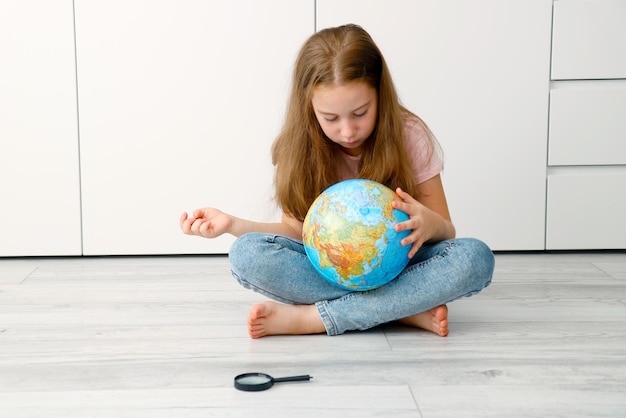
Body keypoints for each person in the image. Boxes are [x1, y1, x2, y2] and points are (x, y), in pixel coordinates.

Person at [180, 24, 494, 339]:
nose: (347, 131)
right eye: (330, 118)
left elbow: (448, 233)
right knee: (246, 254)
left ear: (379, 95)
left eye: (360, 113)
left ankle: (316, 319)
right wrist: (231, 224)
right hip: (331, 269)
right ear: (309, 109)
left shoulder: (409, 135)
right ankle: (402, 309)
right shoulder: (298, 147)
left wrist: (429, 223)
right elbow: (295, 233)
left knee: (474, 258)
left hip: (401, 267)